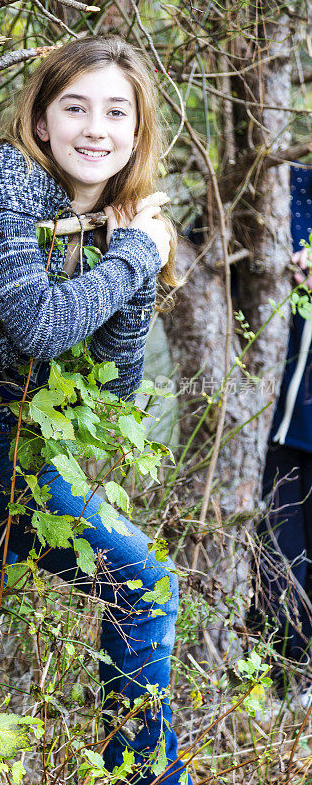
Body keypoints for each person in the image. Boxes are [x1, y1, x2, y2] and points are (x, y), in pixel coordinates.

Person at [0, 35, 190, 784]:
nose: (95, 128)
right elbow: (40, 325)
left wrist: (132, 256)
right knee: (144, 586)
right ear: (41, 120)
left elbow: (111, 389)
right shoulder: (3, 182)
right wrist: (136, 258)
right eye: (75, 107)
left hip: (25, 440)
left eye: (117, 112)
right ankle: (144, 779)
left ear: (137, 131)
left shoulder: (110, 215)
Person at [249, 165, 312, 701]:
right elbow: (200, 246)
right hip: (277, 425)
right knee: (277, 560)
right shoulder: (282, 182)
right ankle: (276, 692)